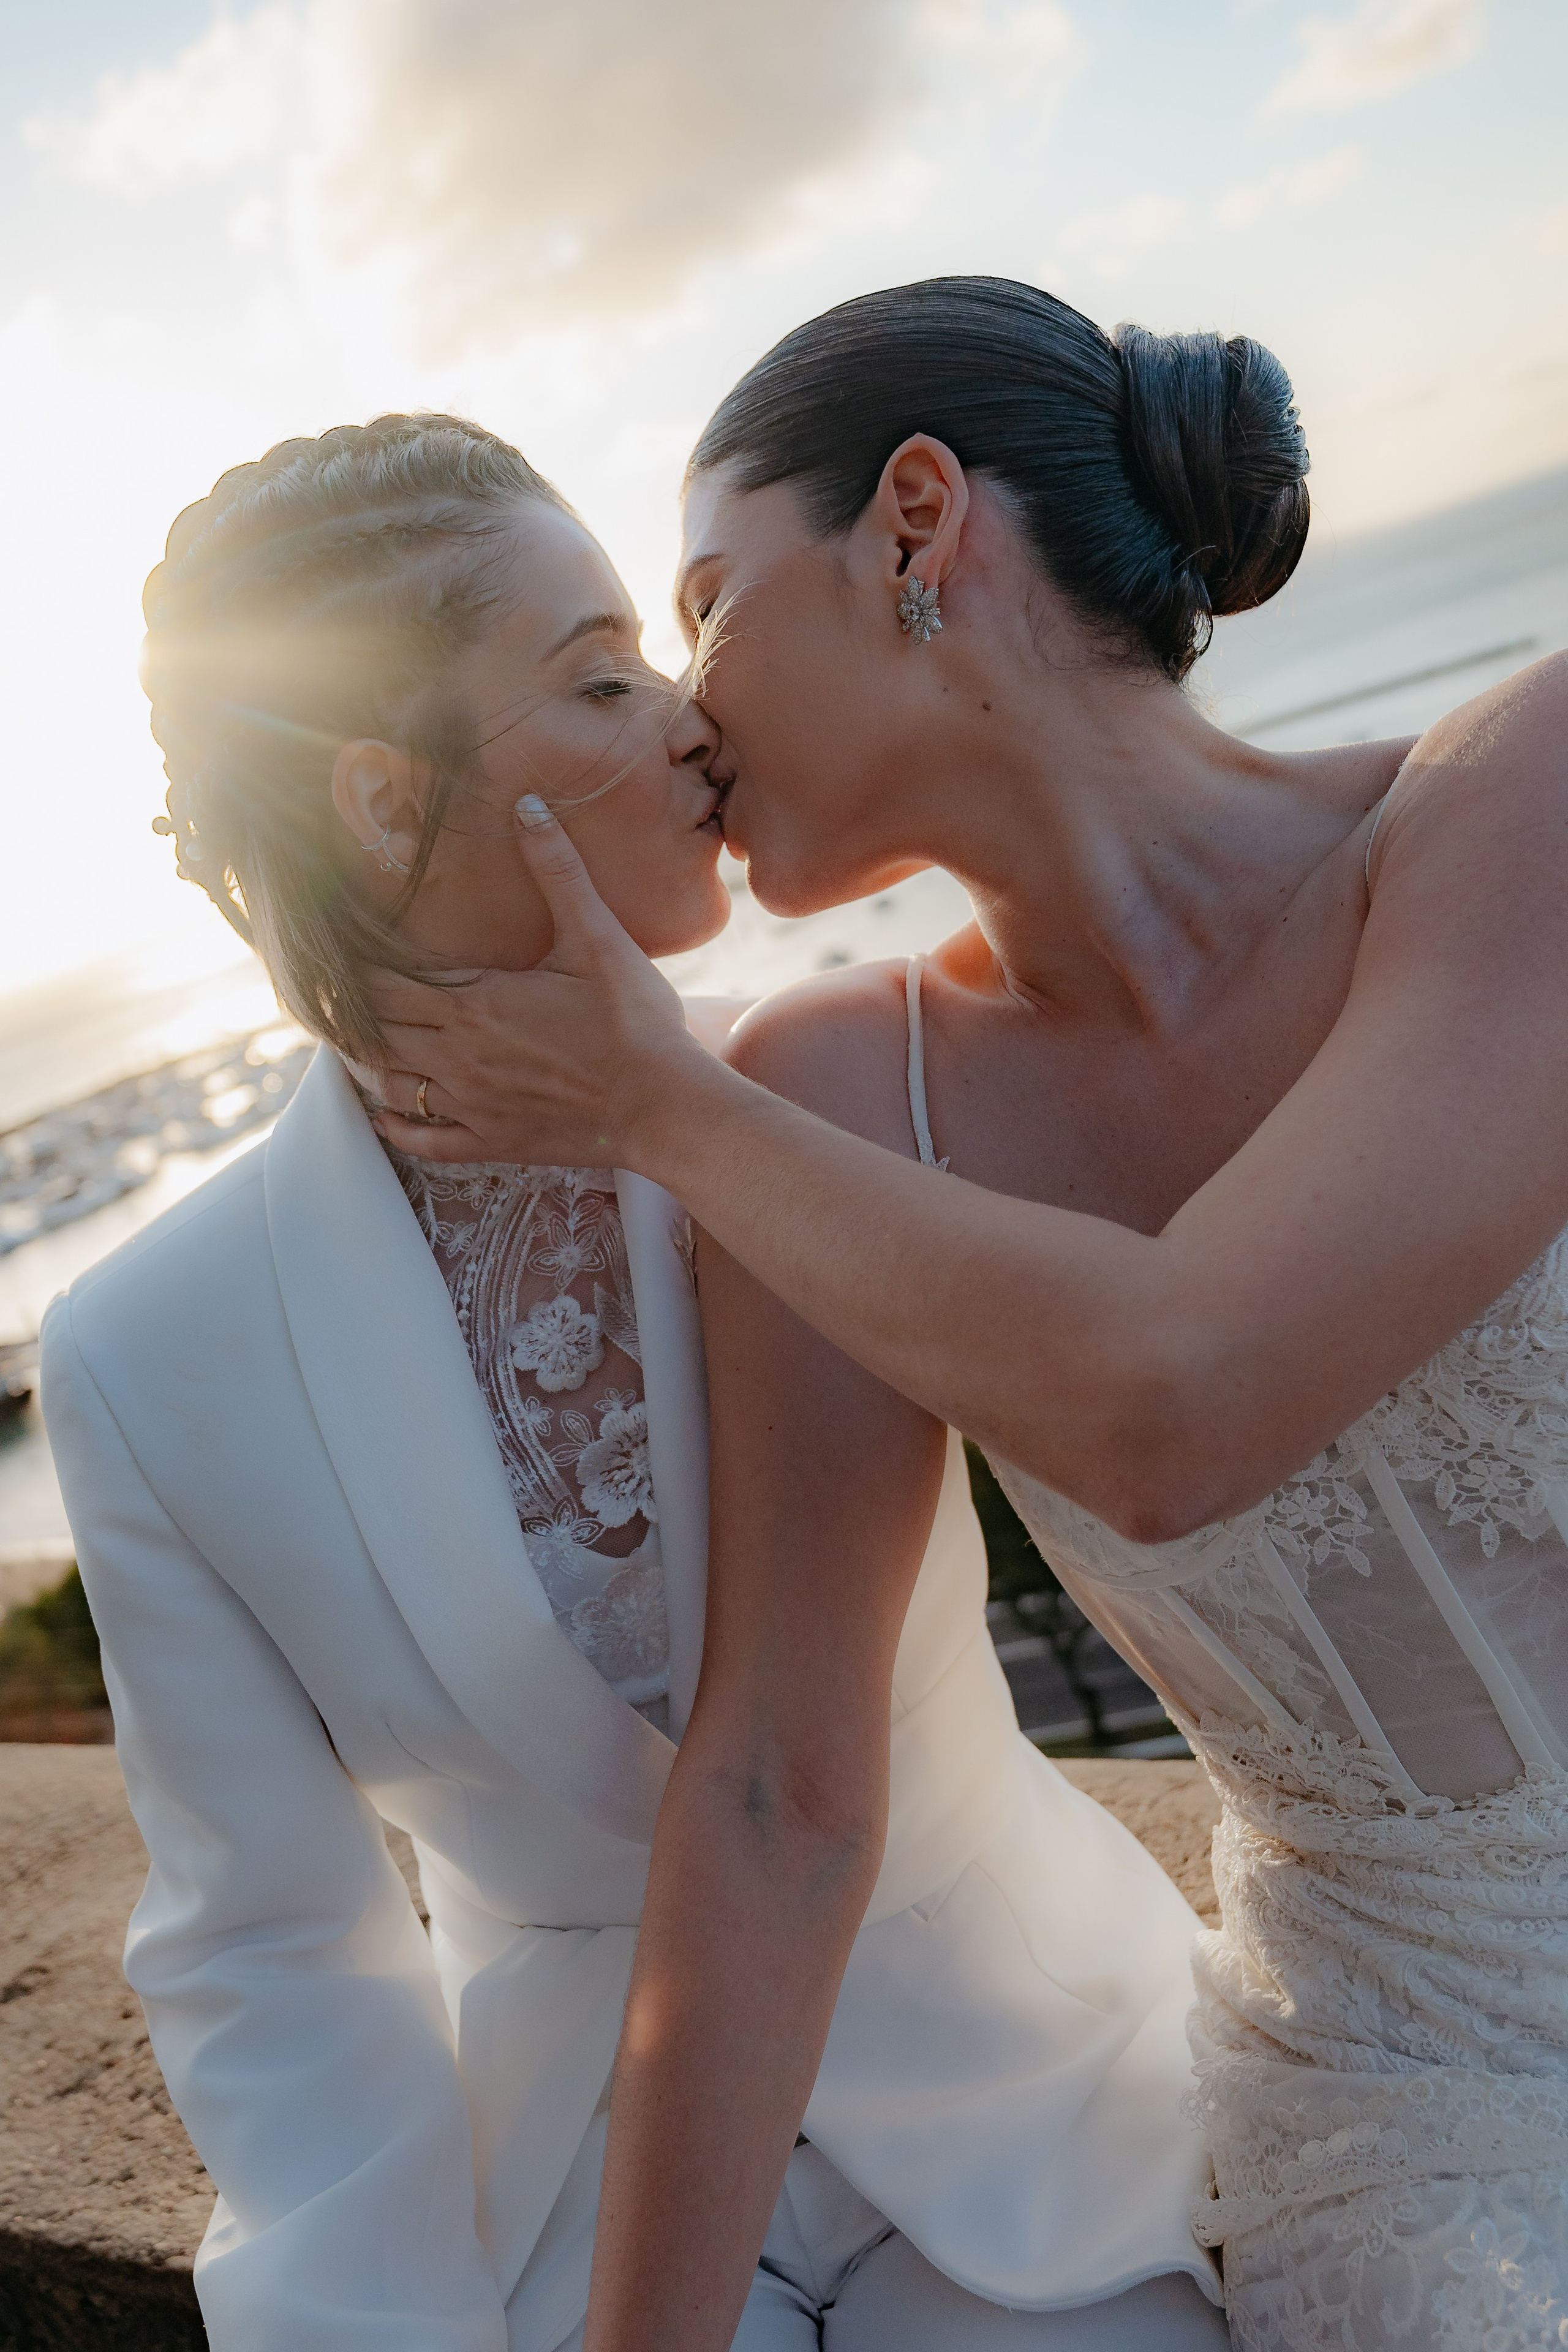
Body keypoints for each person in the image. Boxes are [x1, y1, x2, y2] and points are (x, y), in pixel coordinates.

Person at [369, 280, 1568, 2351]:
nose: (683, 719)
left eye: (706, 604)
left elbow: (1184, 1397)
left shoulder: (1514, 802)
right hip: (1416, 2092)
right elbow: (772, 1795)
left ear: (919, 524)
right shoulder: (833, 1105)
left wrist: (650, 1099)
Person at [41, 412, 1226, 2352]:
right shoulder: (147, 1352)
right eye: (601, 678)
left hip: (1038, 2096)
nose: (693, 721)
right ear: (378, 797)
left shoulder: (854, 1096)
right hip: (568, 2193)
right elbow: (268, 1944)